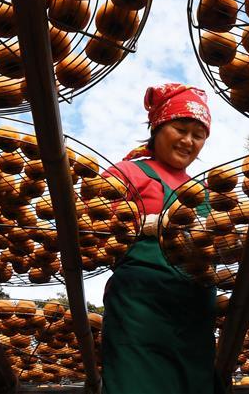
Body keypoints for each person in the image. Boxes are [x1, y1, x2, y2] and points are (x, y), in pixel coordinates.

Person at [101, 83, 222, 394]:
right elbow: (93, 224)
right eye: (181, 129)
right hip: (142, 303)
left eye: (198, 135)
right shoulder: (128, 172)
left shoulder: (204, 191)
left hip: (195, 309)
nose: (188, 141)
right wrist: (146, 225)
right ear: (157, 128)